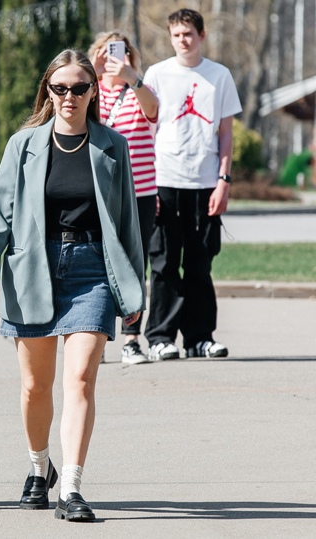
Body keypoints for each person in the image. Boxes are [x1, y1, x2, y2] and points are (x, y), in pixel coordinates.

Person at [0, 49, 145, 521]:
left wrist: (135, 290)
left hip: (92, 270)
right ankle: (37, 467)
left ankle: (71, 486)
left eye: (80, 88)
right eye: (60, 88)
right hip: (33, 269)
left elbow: (128, 221)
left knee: (82, 378)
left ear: (93, 92)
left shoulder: (112, 146)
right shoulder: (23, 144)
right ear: (48, 91)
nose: (69, 96)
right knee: (34, 386)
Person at [142, 8, 242, 361]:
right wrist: (148, 186)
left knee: (200, 264)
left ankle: (200, 337)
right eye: (176, 35)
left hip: (205, 182)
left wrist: (223, 181)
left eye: (188, 34)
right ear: (170, 38)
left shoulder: (219, 76)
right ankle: (160, 338)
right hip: (164, 181)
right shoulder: (156, 74)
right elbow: (146, 130)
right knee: (165, 264)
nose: (183, 40)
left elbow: (226, 134)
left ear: (201, 36)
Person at [88, 32, 159, 365]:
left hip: (140, 192)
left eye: (120, 51)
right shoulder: (88, 92)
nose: (112, 57)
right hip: (100, 193)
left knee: (134, 264)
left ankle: (132, 339)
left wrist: (132, 77)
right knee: (99, 262)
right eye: (106, 51)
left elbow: (153, 109)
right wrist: (91, 71)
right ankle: (98, 336)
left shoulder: (138, 90)